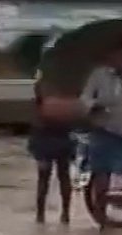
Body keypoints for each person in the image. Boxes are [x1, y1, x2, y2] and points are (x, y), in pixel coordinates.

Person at [79, 38, 122, 228]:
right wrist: (95, 107)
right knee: (102, 171)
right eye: (121, 54)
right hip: (105, 127)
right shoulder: (99, 74)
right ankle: (101, 215)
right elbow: (85, 97)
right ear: (111, 55)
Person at [29, 70, 74, 224]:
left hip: (45, 135)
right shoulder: (67, 84)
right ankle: (65, 215)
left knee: (44, 177)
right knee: (63, 176)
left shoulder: (42, 82)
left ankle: (41, 216)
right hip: (60, 134)